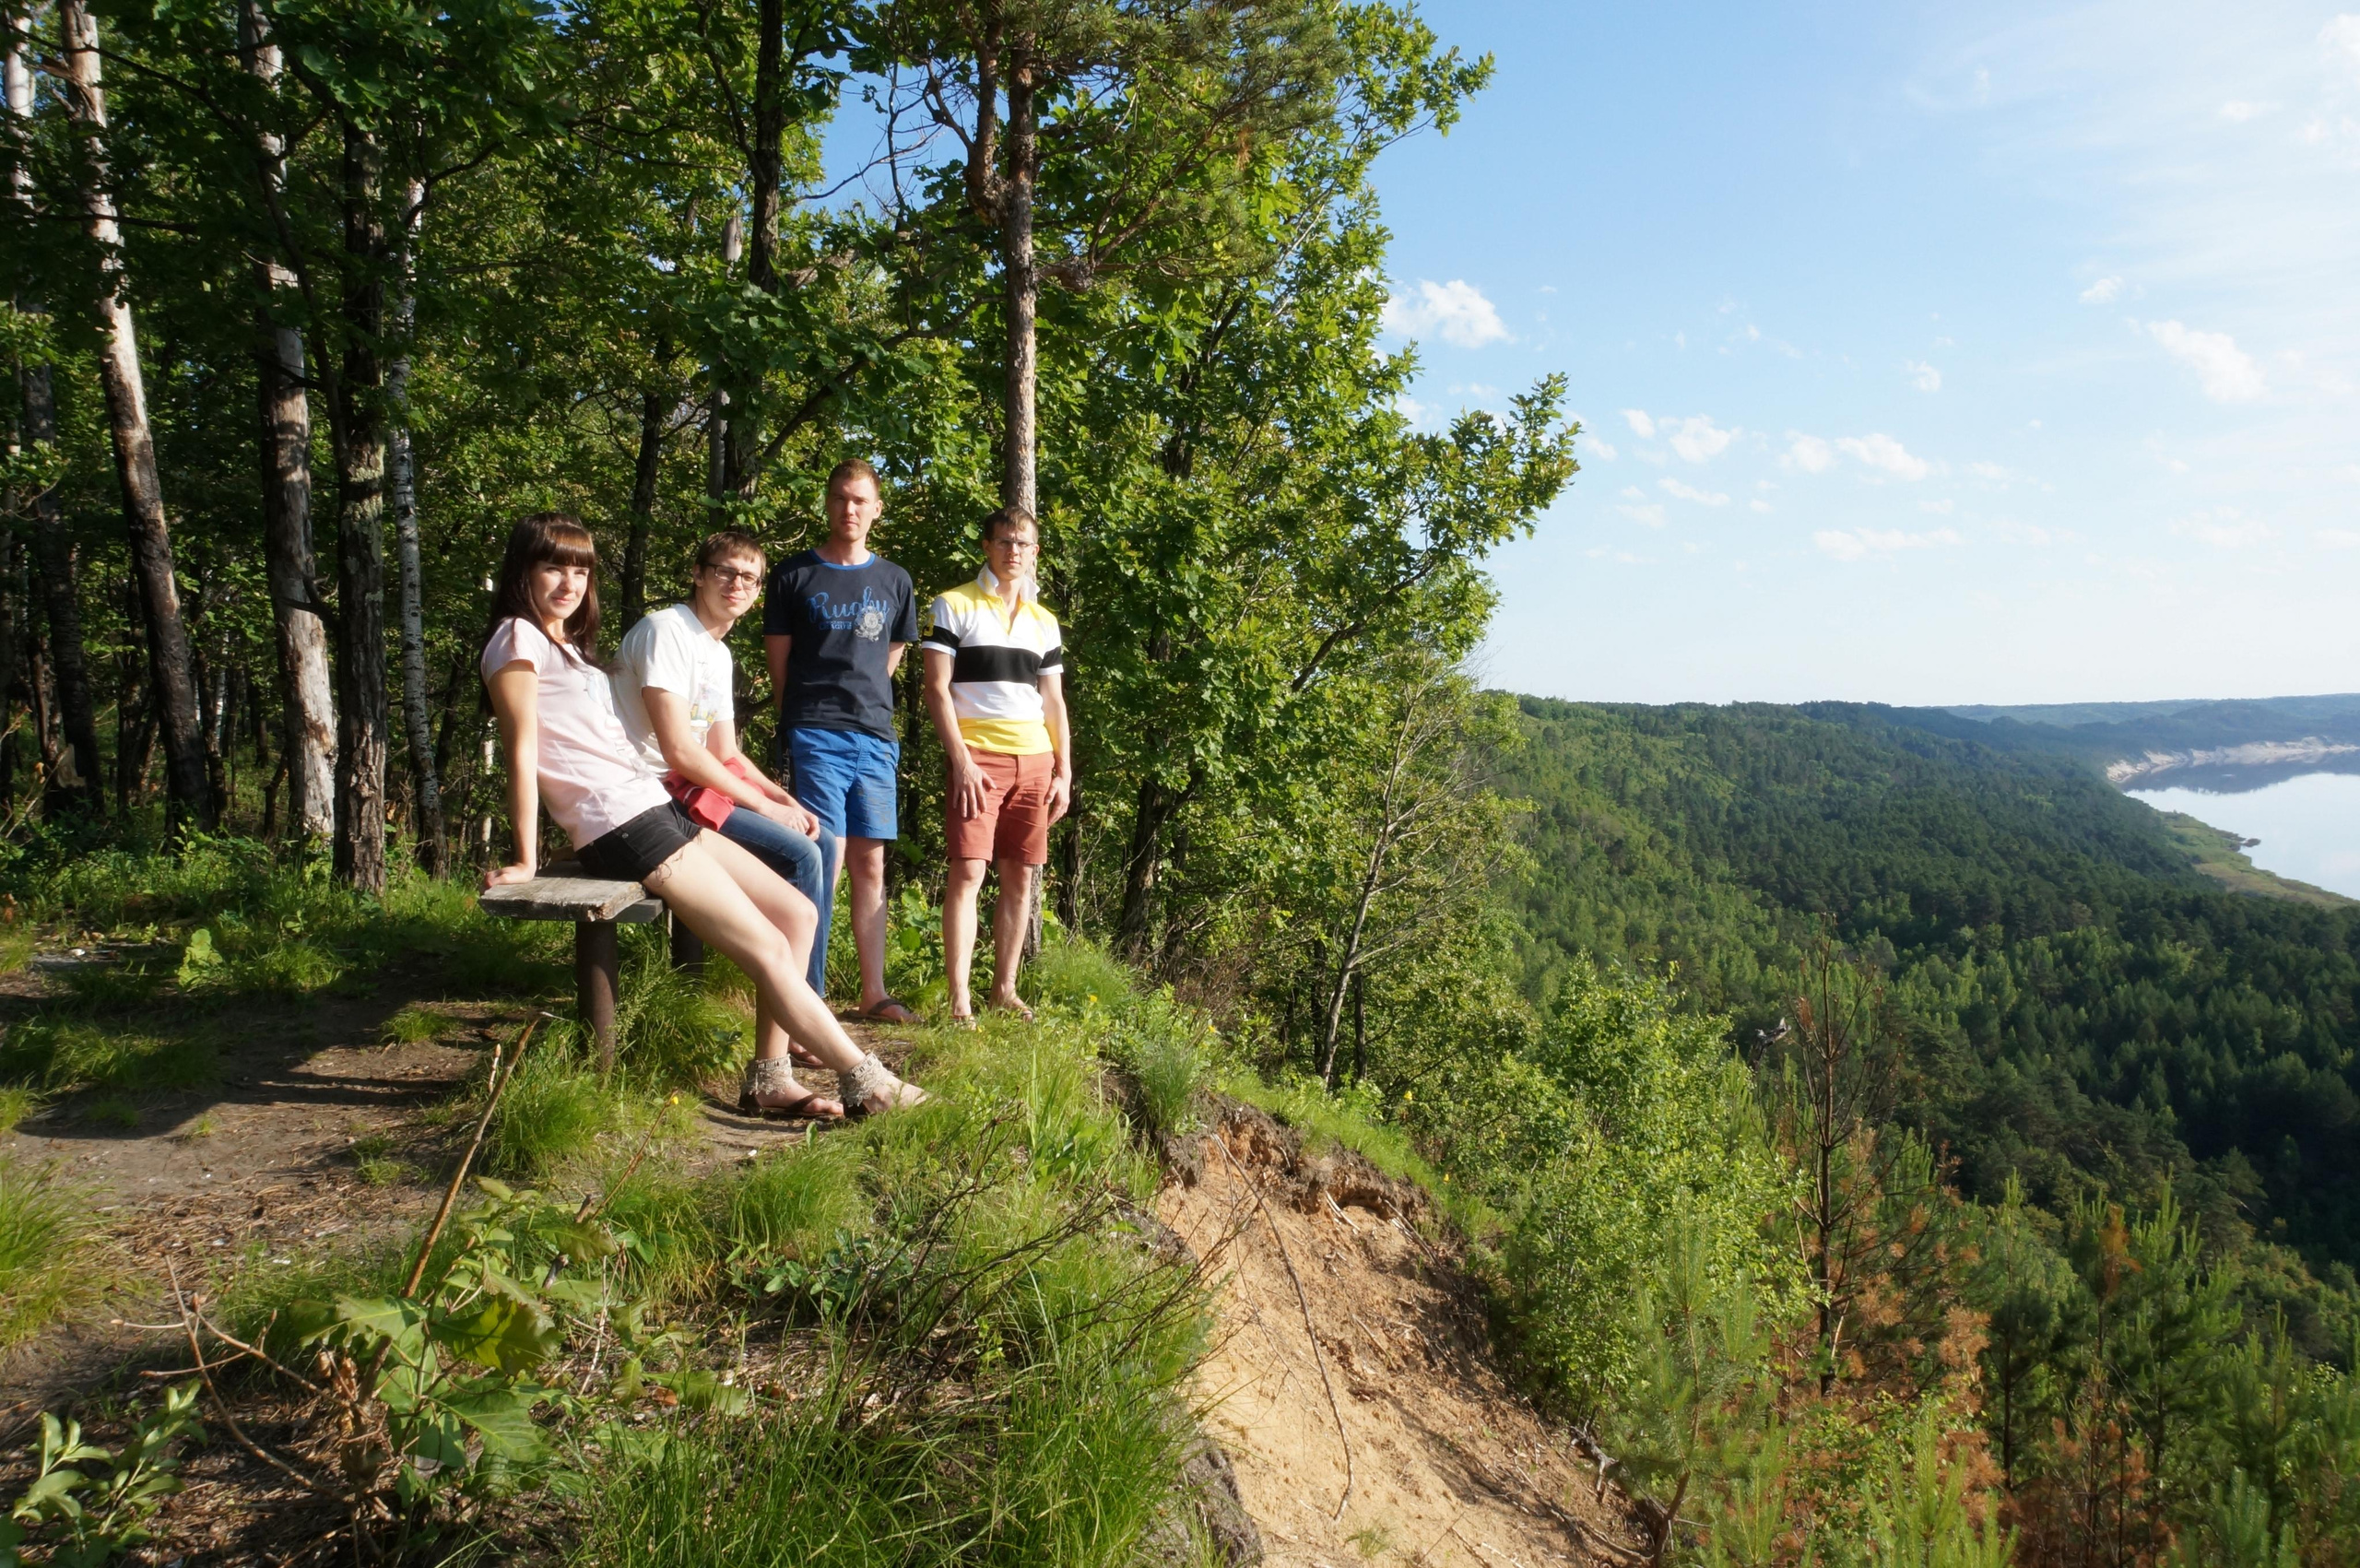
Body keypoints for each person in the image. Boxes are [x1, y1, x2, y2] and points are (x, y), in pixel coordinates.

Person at [480, 512, 922, 1119]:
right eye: (553, 565)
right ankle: (866, 1079)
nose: (568, 581)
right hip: (621, 821)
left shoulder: (567, 646)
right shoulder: (516, 638)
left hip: (649, 804)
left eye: (580, 568)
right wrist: (529, 856)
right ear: (522, 571)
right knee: (765, 942)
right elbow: (523, 747)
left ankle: (771, 1078)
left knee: (796, 911)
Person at [611, 528, 838, 1003]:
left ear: (758, 593)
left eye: (749, 578)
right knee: (801, 854)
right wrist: (764, 807)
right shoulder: (666, 631)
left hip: (685, 784)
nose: (737, 584)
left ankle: (800, 994)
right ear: (698, 575)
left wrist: (782, 798)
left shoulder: (718, 652)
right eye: (725, 572)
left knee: (826, 839)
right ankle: (800, 1008)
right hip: (647, 794)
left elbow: (726, 753)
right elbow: (678, 750)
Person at [763, 458, 921, 1022]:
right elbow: (779, 667)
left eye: (860, 500)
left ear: (877, 508)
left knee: (870, 863)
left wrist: (868, 707)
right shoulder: (792, 576)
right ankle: (810, 996)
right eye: (840, 498)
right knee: (821, 860)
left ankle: (873, 993)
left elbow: (890, 660)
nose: (849, 509)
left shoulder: (895, 581)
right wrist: (797, 726)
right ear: (827, 504)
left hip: (876, 738)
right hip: (815, 733)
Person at [920, 505, 1071, 1022]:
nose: (1014, 552)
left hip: (1036, 760)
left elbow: (1054, 702)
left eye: (1024, 544)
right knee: (967, 872)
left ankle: (1003, 990)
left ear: (1035, 553)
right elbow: (936, 689)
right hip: (977, 758)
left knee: (1020, 877)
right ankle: (960, 999)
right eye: (1005, 542)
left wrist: (1064, 773)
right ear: (986, 546)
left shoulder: (1043, 621)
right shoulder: (954, 604)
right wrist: (959, 759)